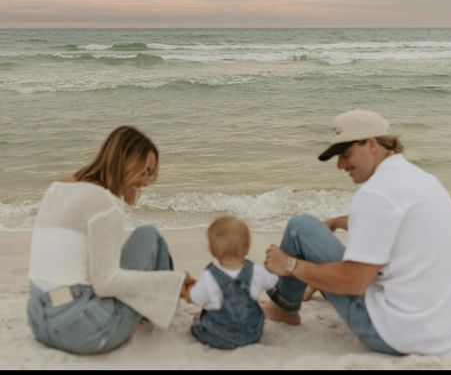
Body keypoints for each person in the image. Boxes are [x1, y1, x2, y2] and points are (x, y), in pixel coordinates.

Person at [262, 109, 451, 357]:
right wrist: (338, 222)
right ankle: (302, 291)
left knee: (300, 226)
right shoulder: (423, 180)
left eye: (346, 154)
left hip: (393, 335)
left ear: (371, 144)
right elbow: (393, 224)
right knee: (330, 244)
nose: (340, 165)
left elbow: (354, 282)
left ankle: (285, 310)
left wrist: (290, 265)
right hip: (443, 334)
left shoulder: (375, 194)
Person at [27, 125, 194, 354]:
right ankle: (163, 302)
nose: (145, 182)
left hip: (38, 318)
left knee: (139, 246)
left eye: (150, 174)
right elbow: (106, 283)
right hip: (80, 329)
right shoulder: (105, 204)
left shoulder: (58, 188)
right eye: (144, 171)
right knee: (149, 236)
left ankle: (161, 298)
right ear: (125, 161)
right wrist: (173, 283)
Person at [183, 215, 278, 349]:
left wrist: (189, 288)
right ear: (248, 246)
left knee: (197, 323)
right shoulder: (256, 271)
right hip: (253, 334)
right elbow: (272, 281)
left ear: (211, 249)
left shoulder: (210, 276)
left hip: (220, 335)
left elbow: (195, 298)